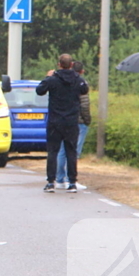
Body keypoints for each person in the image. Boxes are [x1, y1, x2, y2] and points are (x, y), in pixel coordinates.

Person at [36, 54, 89, 193]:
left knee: (53, 151)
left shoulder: (53, 80)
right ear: (71, 65)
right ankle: (72, 182)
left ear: (59, 64)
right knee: (71, 151)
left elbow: (39, 91)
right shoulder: (78, 80)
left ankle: (51, 182)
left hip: (55, 121)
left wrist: (47, 77)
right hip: (71, 121)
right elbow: (85, 90)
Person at [55, 61, 91, 189]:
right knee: (74, 151)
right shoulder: (81, 83)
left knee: (62, 151)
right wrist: (87, 120)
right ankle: (71, 180)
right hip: (78, 122)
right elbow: (84, 104)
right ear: (82, 71)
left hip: (62, 120)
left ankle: (59, 179)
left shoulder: (60, 81)